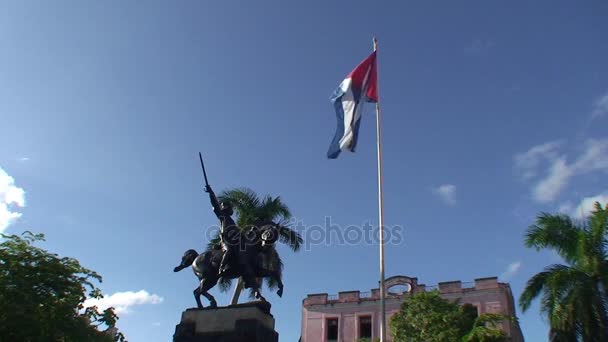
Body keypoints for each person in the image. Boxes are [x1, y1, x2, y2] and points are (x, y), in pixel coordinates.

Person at [204, 185, 239, 276]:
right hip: (226, 240)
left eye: (229, 207)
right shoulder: (222, 215)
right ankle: (222, 267)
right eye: (225, 206)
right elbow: (215, 204)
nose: (228, 208)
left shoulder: (231, 221)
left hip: (234, 241)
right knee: (228, 250)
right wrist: (211, 193)